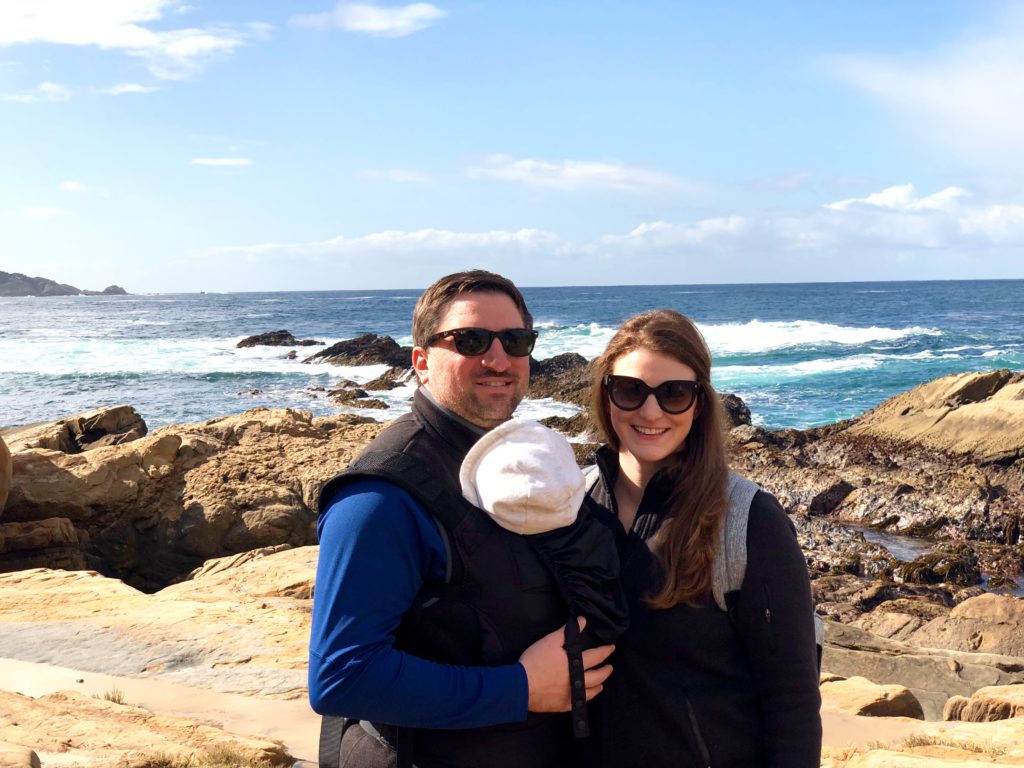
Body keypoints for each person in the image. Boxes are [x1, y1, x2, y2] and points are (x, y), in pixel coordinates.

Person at [308, 270, 617, 768]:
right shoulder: (381, 497)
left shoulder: (516, 460)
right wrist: (518, 688)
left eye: (515, 341)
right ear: (422, 363)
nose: (498, 359)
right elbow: (342, 676)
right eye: (470, 340)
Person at [584, 309, 822, 768]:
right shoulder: (571, 504)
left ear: (699, 403)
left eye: (673, 393)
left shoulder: (749, 520)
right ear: (606, 394)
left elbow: (792, 701)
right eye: (631, 390)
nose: (650, 412)